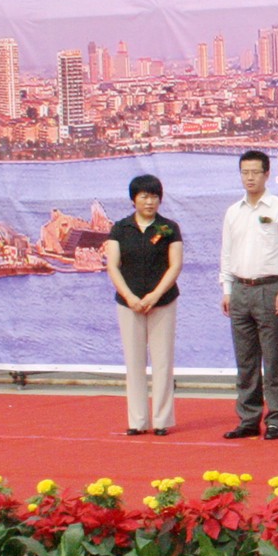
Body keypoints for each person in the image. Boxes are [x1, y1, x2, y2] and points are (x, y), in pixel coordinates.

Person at [218, 149, 278, 440]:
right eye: (245, 172)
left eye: (255, 172)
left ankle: (277, 418)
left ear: (267, 174)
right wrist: (227, 289)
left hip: (270, 289)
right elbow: (227, 254)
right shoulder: (234, 211)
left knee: (275, 359)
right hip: (240, 289)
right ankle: (248, 419)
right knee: (246, 360)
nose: (250, 178)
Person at [103, 173, 183, 436]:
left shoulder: (168, 228)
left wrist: (155, 295)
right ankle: (137, 421)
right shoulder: (120, 228)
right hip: (130, 304)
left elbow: (175, 266)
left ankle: (162, 420)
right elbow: (113, 266)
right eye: (144, 196)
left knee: (162, 362)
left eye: (154, 197)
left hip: (163, 302)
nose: (150, 202)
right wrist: (130, 297)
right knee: (134, 362)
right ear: (133, 199)